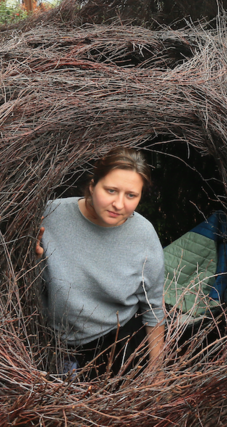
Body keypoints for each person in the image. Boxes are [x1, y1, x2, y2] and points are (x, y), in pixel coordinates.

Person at [35, 147, 165, 378]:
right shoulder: (51, 215)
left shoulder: (143, 235)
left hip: (119, 345)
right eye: (111, 190)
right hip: (52, 343)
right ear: (93, 185)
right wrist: (29, 259)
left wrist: (157, 371)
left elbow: (153, 308)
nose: (118, 204)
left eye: (131, 195)